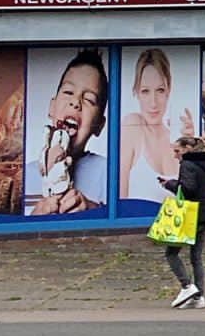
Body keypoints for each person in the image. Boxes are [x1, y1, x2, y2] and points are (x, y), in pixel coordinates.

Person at [31, 49, 108, 216]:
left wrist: (92, 210)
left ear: (99, 125)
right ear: (52, 107)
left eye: (89, 99)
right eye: (68, 92)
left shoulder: (108, 173)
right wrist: (32, 220)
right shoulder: (24, 175)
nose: (75, 102)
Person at [161, 134, 205, 309]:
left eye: (177, 151)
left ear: (187, 149)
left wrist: (171, 185)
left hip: (191, 216)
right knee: (196, 257)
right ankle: (199, 296)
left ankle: (187, 286)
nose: (175, 155)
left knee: (171, 253)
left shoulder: (187, 164)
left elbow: (188, 190)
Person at [120, 50, 193, 203]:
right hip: (137, 219)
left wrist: (192, 156)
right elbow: (119, 202)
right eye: (145, 91)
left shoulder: (177, 140)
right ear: (136, 92)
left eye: (160, 90)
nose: (153, 103)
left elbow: (191, 203)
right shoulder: (132, 125)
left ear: (168, 90)